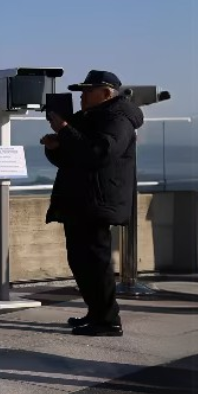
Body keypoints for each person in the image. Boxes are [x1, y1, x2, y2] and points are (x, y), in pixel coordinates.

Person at [41, 69, 143, 337]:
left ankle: (108, 320)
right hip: (81, 200)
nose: (82, 97)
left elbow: (100, 153)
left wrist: (64, 129)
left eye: (88, 92)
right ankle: (96, 313)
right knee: (82, 261)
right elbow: (74, 157)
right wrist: (56, 146)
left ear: (106, 93)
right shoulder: (92, 117)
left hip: (97, 201)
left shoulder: (118, 119)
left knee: (95, 262)